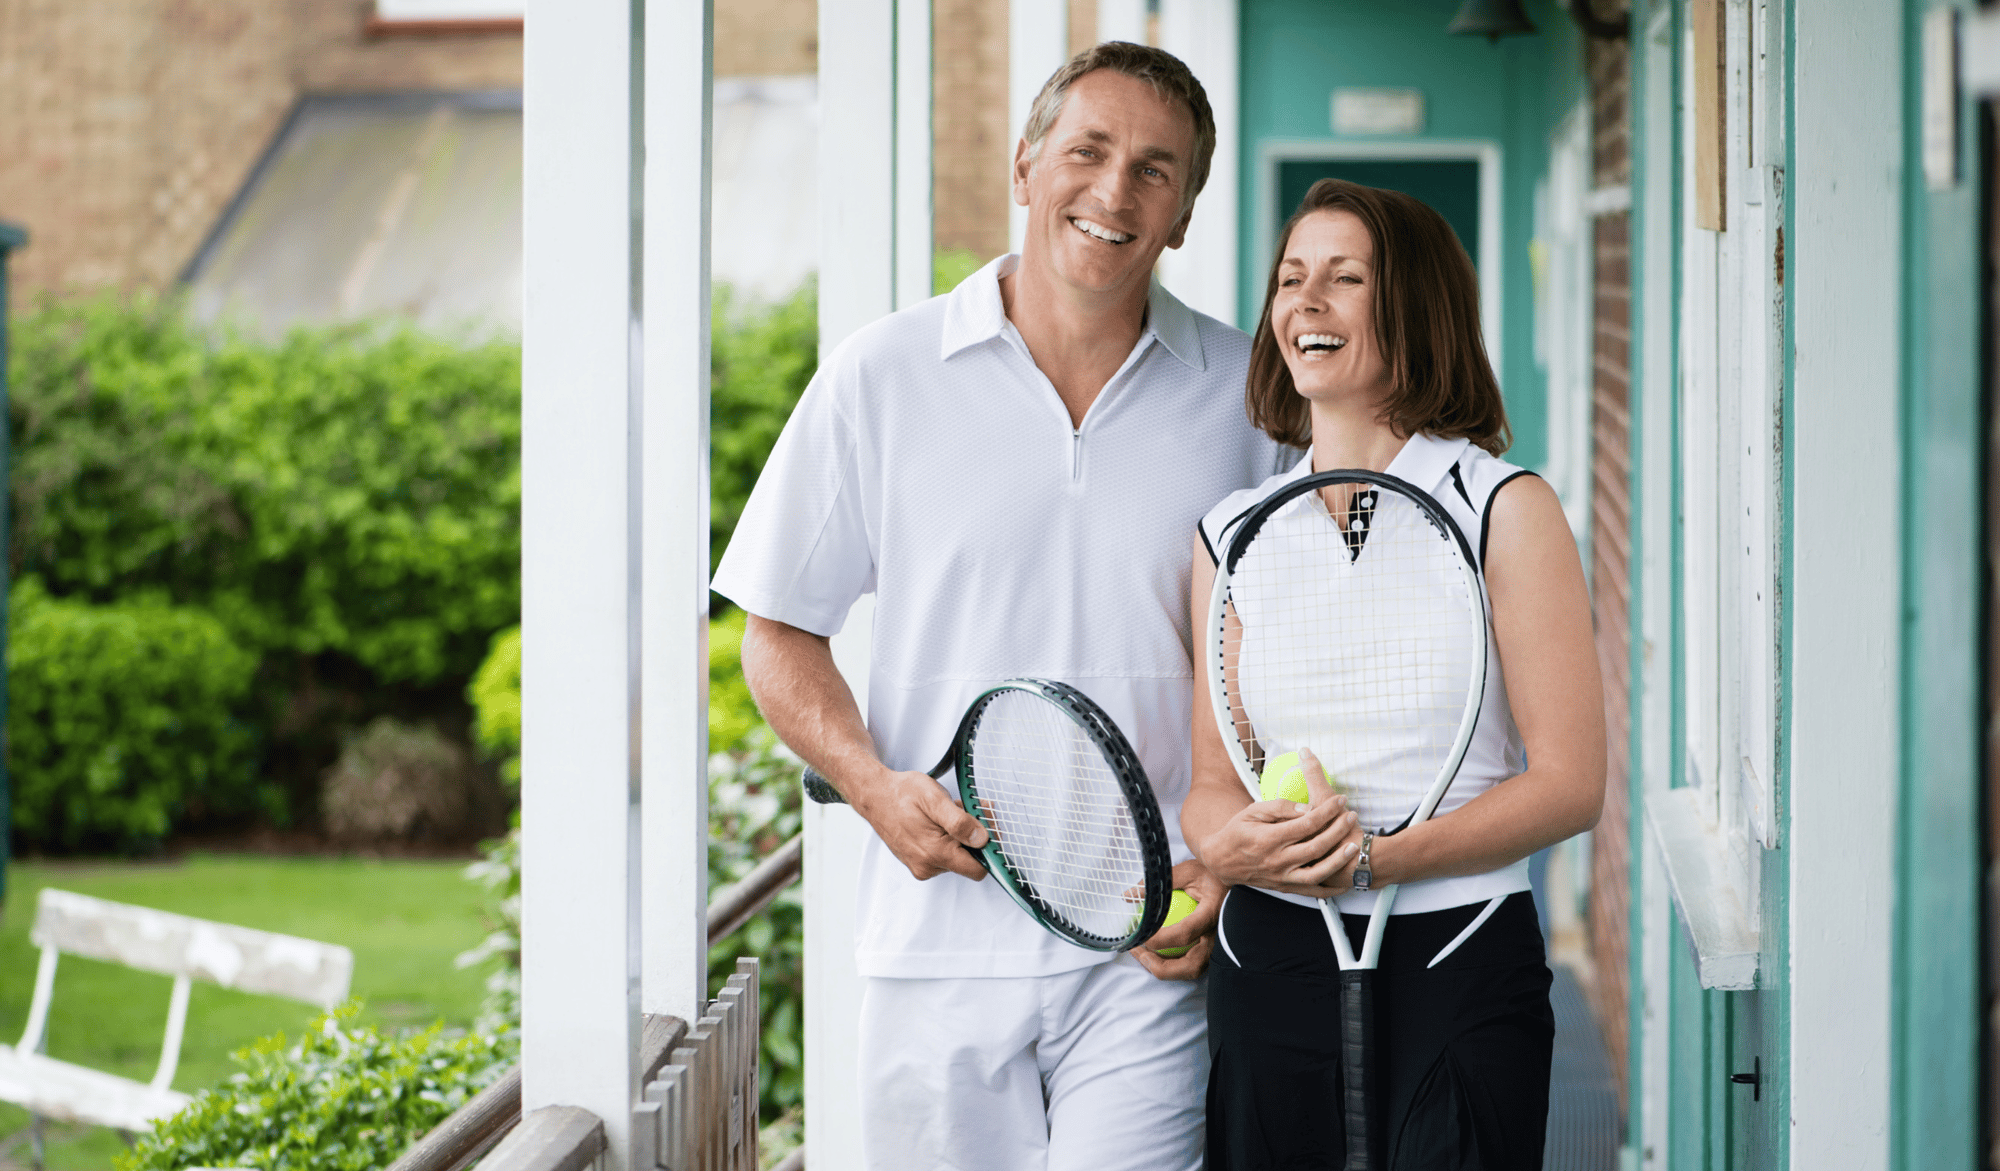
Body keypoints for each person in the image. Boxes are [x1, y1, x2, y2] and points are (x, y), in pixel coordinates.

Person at [711, 42, 1289, 1171]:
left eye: (1155, 170)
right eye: (1087, 151)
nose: (1114, 191)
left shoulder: (1250, 397)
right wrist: (872, 788)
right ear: (1025, 167)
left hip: (1148, 943)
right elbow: (776, 631)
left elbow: (1292, 658)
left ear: (1183, 216)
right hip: (934, 954)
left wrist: (1225, 862)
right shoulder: (880, 375)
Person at [1181, 178, 1607, 1169]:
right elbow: (1210, 786)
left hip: (1458, 954)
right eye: (1290, 280)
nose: (1303, 304)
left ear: (1412, 307)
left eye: (1342, 278)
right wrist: (1238, 848)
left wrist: (1374, 861)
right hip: (1270, 962)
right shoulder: (1226, 533)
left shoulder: (1504, 507)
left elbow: (1568, 783)